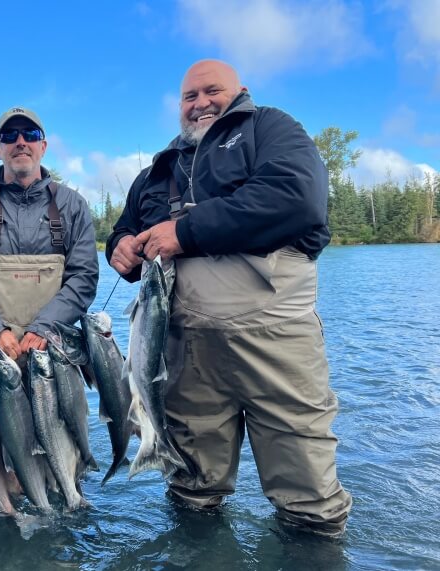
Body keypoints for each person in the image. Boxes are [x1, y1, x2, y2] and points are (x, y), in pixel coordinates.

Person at [107, 60, 352, 537]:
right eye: (189, 97)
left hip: (276, 339)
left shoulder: (269, 128)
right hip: (185, 350)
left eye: (211, 91)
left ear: (240, 91)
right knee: (191, 488)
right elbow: (127, 230)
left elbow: (298, 199)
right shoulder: (156, 170)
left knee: (308, 493)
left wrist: (185, 230)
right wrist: (121, 247)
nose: (200, 104)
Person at [0, 107, 98, 361]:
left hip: (55, 351)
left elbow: (84, 277)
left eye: (30, 134)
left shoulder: (73, 205)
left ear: (43, 146)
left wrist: (45, 327)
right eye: (9, 136)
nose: (21, 142)